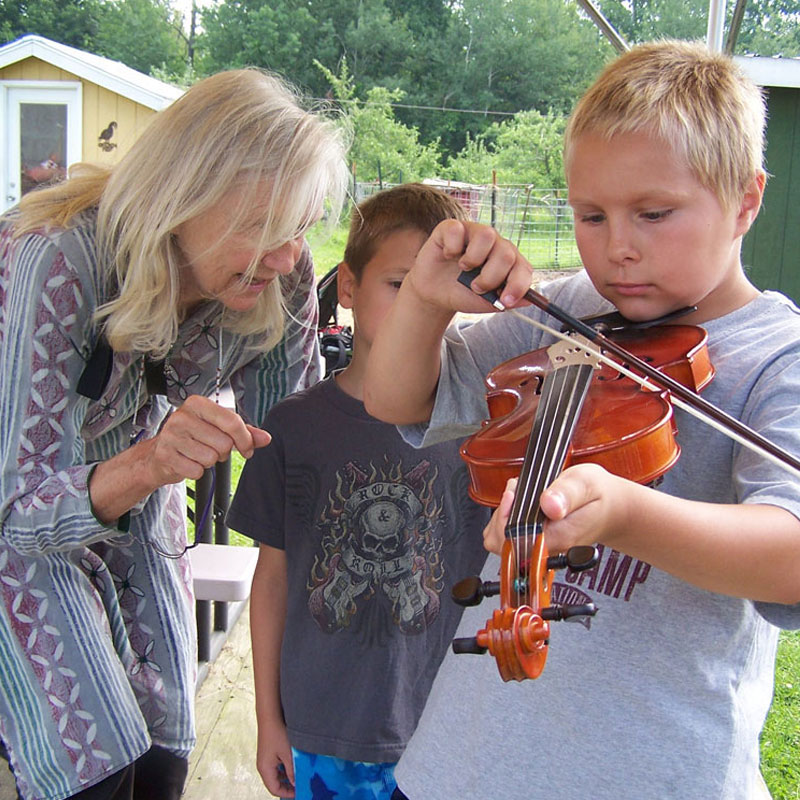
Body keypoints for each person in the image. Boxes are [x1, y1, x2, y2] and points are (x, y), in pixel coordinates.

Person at [362, 40, 800, 799]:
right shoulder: (567, 319)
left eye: (654, 213)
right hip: (463, 767)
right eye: (591, 215)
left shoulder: (778, 357)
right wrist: (425, 302)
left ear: (746, 200)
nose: (618, 249)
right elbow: (396, 398)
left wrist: (626, 512)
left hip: (654, 774)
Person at [0, 68, 348, 800]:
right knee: (95, 763)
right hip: (20, 528)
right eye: (262, 228)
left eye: (300, 227)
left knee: (163, 751)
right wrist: (151, 462)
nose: (288, 258)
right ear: (181, 197)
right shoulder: (57, 259)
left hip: (139, 502)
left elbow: (300, 453)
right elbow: (16, 509)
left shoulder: (278, 268)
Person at [226, 184, 491, 800]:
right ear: (347, 286)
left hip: (448, 726)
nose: (418, 306)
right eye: (401, 285)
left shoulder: (482, 422)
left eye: (436, 289)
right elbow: (272, 580)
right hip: (324, 729)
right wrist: (269, 717)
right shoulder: (291, 426)